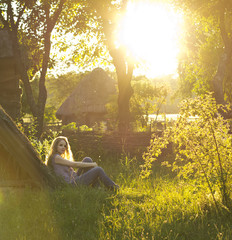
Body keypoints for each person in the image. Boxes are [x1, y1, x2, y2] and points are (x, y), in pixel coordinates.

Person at [45, 136, 119, 190]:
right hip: (71, 185)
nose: (63, 147)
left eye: (65, 146)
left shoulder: (59, 157)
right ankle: (113, 187)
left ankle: (97, 187)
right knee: (98, 169)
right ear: (55, 146)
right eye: (60, 145)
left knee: (87, 159)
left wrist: (90, 164)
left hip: (74, 179)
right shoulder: (56, 157)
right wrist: (93, 164)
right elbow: (74, 164)